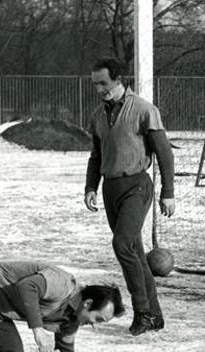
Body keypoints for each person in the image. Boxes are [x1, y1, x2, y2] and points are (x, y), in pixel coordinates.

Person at [83, 57, 176, 336]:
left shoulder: (144, 109)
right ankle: (156, 316)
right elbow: (95, 156)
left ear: (118, 79)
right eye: (95, 84)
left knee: (122, 244)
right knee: (134, 252)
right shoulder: (98, 115)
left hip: (137, 186)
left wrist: (168, 192)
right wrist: (90, 187)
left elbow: (164, 153)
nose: (100, 89)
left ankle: (143, 312)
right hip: (111, 189)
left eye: (104, 83)